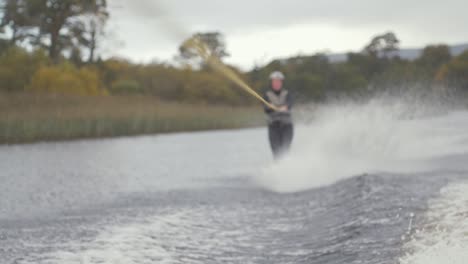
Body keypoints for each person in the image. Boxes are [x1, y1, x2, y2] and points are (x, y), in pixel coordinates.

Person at [264, 71, 293, 159]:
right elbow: (265, 108)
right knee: (276, 151)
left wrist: (285, 107)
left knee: (285, 149)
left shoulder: (287, 94)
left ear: (281, 82)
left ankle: (286, 168)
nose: (276, 83)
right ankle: (277, 169)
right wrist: (270, 107)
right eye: (274, 81)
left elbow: (290, 104)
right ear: (272, 82)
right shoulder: (267, 95)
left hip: (287, 127)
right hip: (273, 127)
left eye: (278, 81)